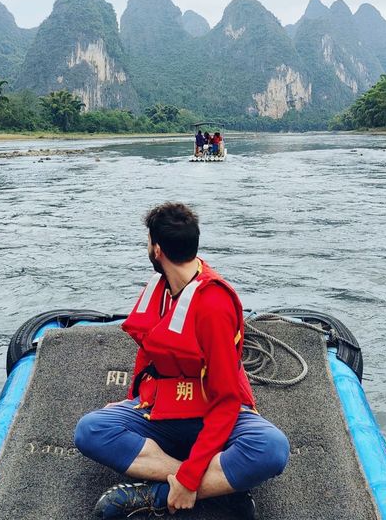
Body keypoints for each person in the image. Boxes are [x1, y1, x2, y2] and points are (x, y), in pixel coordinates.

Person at [75, 203, 289, 519]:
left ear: (157, 249)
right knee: (91, 430)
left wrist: (189, 480)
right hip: (162, 412)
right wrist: (132, 401)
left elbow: (227, 401)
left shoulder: (214, 305)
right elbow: (149, 358)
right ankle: (216, 491)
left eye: (148, 242)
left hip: (214, 414)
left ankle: (159, 495)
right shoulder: (159, 289)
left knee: (270, 448)